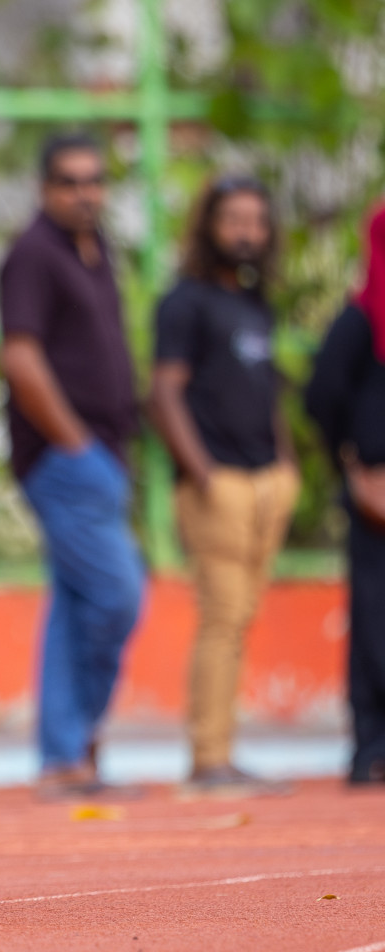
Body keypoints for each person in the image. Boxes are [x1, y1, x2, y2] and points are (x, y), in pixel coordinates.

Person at [0, 134, 143, 800]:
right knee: (117, 595)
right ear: (44, 188)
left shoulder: (96, 248)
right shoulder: (33, 254)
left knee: (78, 603)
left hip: (102, 456)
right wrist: (76, 444)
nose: (85, 193)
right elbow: (20, 357)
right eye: (70, 181)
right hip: (66, 460)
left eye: (94, 181)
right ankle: (75, 743)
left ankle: (67, 757)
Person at [150, 176, 298, 795]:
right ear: (209, 225)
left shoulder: (256, 303)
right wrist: (204, 473)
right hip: (219, 485)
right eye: (234, 219)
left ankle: (224, 754)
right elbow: (164, 393)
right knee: (222, 618)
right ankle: (209, 759)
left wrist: (286, 465)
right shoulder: (184, 302)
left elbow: (267, 392)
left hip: (268, 481)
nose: (247, 232)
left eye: (257, 221)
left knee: (241, 618)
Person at [305, 202, 385, 786]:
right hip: (375, 490)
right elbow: (323, 395)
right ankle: (372, 746)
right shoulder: (360, 320)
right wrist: (353, 464)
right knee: (376, 616)